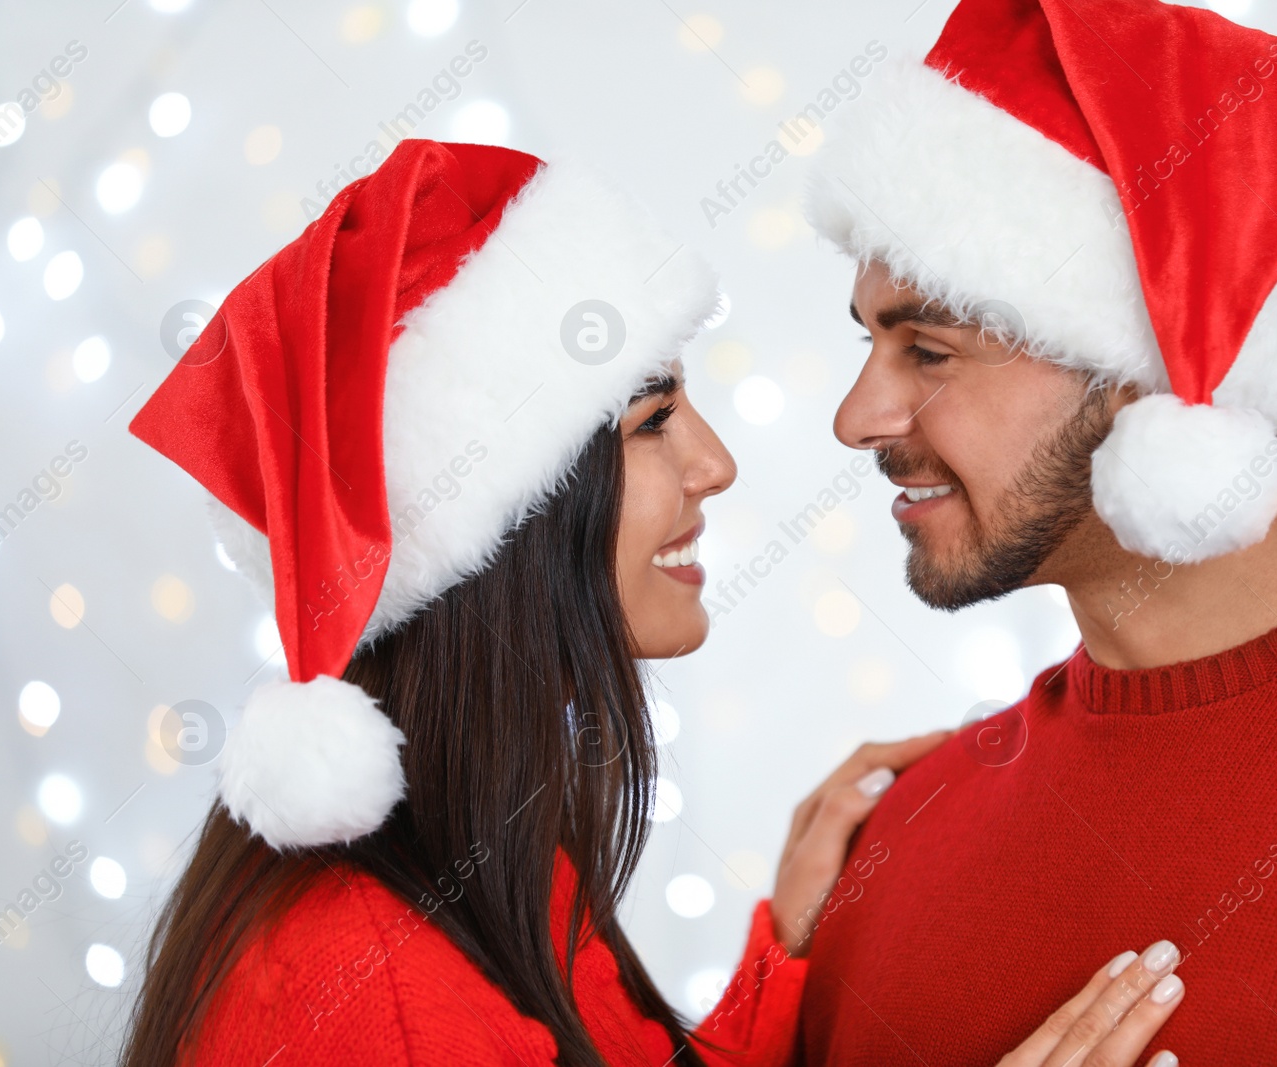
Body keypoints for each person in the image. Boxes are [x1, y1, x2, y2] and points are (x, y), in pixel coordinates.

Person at [120, 139, 1186, 1066]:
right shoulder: (364, 985)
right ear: (499, 525)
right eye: (652, 420)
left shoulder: (495, 865)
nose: (713, 463)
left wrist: (791, 951)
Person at [795, 0, 1277, 1064]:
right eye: (868, 343)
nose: (857, 418)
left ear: (1154, 369)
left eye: (927, 351)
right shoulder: (897, 832)